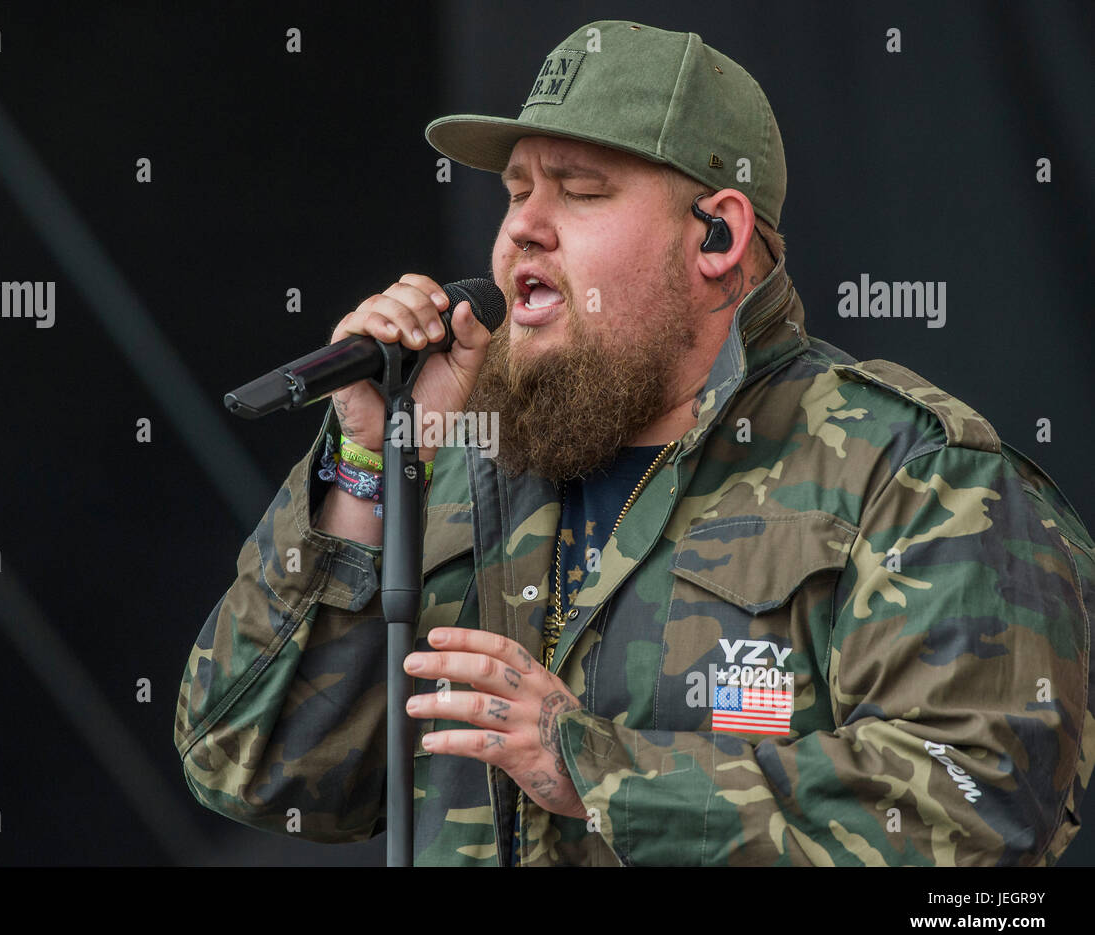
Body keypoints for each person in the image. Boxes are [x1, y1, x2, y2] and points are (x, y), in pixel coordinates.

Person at [174, 20, 1095, 865]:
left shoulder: (911, 473)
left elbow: (983, 813)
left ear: (718, 236)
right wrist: (369, 467)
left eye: (579, 192)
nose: (522, 229)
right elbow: (254, 766)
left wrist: (595, 768)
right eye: (515, 192)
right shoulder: (452, 461)